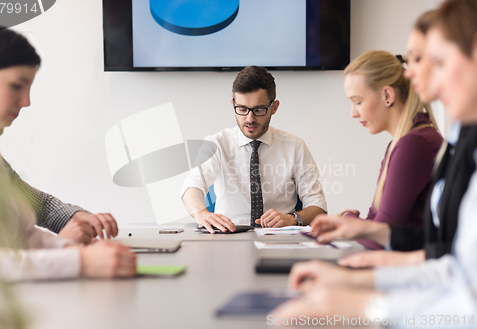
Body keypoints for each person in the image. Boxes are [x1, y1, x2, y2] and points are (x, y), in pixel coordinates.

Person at [274, 1, 477, 325]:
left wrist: (364, 305)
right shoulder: (450, 142)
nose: (419, 76)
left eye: (436, 61)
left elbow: (465, 297)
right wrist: (355, 273)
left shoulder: (419, 144)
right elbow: (452, 267)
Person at [0, 26, 136, 281]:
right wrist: (77, 261)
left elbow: (26, 225)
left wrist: (72, 249)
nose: (26, 101)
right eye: (17, 86)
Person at [311, 49, 442, 250]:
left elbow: (379, 236)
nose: (353, 113)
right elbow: (376, 223)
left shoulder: (414, 145)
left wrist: (348, 220)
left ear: (388, 95)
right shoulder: (401, 143)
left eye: (358, 101)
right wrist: (352, 223)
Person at [181, 66, 327, 233]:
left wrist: (292, 218)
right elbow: (192, 184)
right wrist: (200, 213)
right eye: (242, 109)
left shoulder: (295, 146)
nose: (249, 119)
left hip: (279, 238)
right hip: (229, 236)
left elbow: (318, 207)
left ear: (274, 107)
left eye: (259, 110)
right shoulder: (217, 143)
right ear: (233, 104)